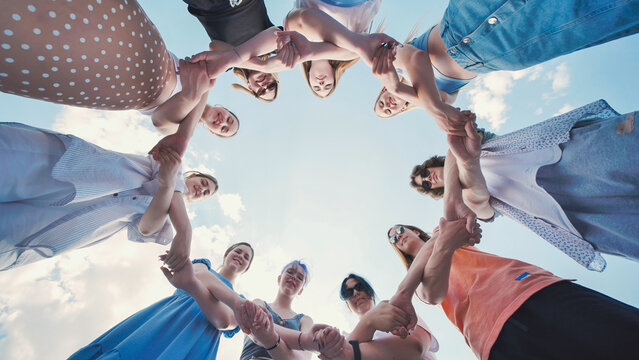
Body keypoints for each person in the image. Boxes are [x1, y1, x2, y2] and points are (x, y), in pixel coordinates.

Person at [410, 100, 639, 270]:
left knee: (629, 141)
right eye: (426, 185)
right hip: (566, 211)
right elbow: (479, 200)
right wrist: (466, 170)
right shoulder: (465, 202)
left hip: (566, 155)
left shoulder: (467, 146)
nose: (429, 179)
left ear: (432, 164)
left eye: (425, 173)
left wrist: (465, 158)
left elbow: (459, 142)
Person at [387, 220, 639, 359]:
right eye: (393, 239)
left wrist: (404, 290)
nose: (398, 237)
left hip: (532, 291)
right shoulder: (416, 282)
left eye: (399, 230)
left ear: (414, 230)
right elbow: (433, 293)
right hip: (493, 338)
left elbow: (448, 230)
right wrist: (410, 282)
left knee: (625, 339)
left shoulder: (439, 232)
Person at [0, 122, 217, 271]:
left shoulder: (169, 222)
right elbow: (170, 167)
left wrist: (167, 185)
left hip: (59, 225)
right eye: (204, 184)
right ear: (195, 175)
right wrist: (184, 226)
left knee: (8, 232)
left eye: (205, 194)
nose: (202, 190)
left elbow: (146, 228)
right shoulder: (175, 163)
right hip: (69, 165)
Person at [69, 242, 254, 359]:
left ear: (246, 269)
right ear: (227, 253)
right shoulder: (203, 265)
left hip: (196, 341)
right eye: (238, 251)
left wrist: (197, 286)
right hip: (166, 322)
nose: (241, 256)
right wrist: (217, 302)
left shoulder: (242, 299)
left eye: (246, 257)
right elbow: (199, 275)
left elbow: (224, 321)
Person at [287, 0, 382, 98]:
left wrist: (310, 52)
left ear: (308, 76)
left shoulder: (295, 43)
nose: (321, 84)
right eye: (328, 85)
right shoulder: (350, 55)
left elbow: (302, 18)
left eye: (316, 87)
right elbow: (363, 44)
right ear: (334, 76)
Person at [239, 260, 314, 360]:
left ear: (301, 290)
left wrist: (267, 333)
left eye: (300, 277)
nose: (294, 277)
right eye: (290, 272)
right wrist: (298, 342)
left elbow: (304, 358)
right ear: (279, 278)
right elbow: (256, 331)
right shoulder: (259, 303)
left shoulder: (305, 320)